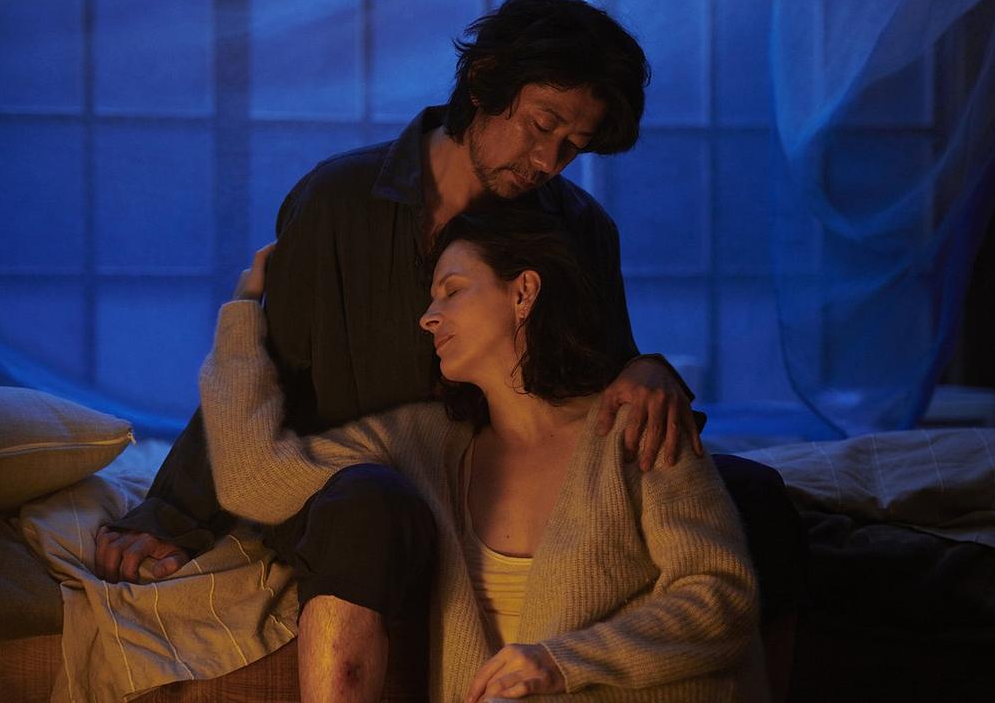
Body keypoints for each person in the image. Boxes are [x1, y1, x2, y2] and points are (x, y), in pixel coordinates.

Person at [94, 0, 804, 696]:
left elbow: (596, 381)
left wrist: (651, 370)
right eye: (541, 124)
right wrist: (173, 514)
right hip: (374, 483)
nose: (548, 160)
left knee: (756, 495)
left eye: (572, 146)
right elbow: (267, 371)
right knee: (371, 504)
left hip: (514, 483)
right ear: (485, 80)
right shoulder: (339, 200)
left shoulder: (578, 226)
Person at [201, 211, 768, 702]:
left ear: (523, 293)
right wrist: (242, 311)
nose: (428, 317)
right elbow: (254, 479)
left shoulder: (636, 424)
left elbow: (720, 596)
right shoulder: (425, 443)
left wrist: (561, 661)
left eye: (451, 290)